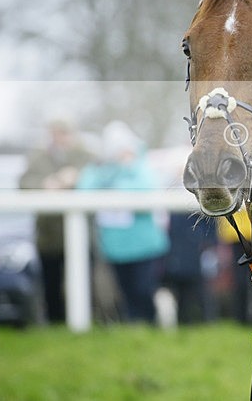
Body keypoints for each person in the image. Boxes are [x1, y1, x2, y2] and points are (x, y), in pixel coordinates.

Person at [76, 121, 170, 324]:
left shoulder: (143, 167)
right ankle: (133, 330)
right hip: (115, 246)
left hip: (145, 246)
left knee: (143, 291)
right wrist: (106, 170)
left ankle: (149, 328)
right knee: (126, 294)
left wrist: (129, 168)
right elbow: (84, 190)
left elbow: (147, 193)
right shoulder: (101, 171)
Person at [19, 119, 93, 323]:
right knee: (51, 283)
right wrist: (45, 184)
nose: (60, 137)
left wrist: (77, 176)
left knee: (83, 282)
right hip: (49, 234)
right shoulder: (38, 157)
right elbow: (24, 183)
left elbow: (101, 175)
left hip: (84, 236)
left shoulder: (85, 155)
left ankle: (88, 321)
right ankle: (55, 322)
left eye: (64, 132)